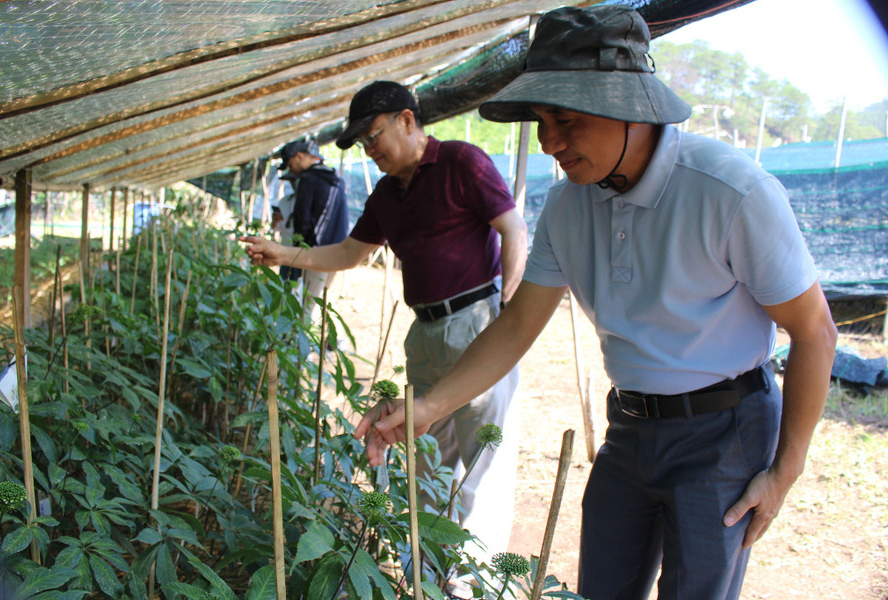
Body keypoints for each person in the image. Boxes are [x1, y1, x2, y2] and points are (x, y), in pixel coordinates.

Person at [354, 6, 838, 600]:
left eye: (567, 119)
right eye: (540, 121)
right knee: (603, 588)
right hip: (629, 430)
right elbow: (519, 325)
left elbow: (814, 331)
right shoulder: (568, 205)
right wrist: (430, 406)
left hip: (724, 432)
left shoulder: (730, 192)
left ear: (631, 104)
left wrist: (784, 473)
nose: (551, 141)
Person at [241, 81, 530, 574]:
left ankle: (472, 582)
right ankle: (429, 573)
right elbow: (351, 254)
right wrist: (285, 253)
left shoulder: (461, 161)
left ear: (407, 120)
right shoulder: (385, 194)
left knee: (484, 461)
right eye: (362, 143)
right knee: (428, 461)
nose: (370, 150)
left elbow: (512, 228)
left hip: (477, 322)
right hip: (425, 334)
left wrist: (508, 308)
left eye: (373, 136)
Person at [277, 138, 349, 322]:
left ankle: (295, 347)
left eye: (290, 164)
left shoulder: (308, 179)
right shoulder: (335, 178)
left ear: (299, 157)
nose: (290, 170)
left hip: (315, 253)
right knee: (319, 299)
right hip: (338, 251)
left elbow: (303, 217)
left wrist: (297, 251)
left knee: (304, 306)